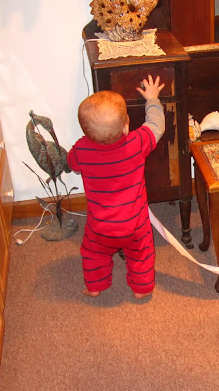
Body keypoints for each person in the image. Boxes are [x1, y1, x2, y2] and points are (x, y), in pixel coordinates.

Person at [67, 75, 165, 299]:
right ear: (126, 126)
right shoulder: (136, 143)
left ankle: (94, 286)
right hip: (135, 224)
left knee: (93, 253)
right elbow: (156, 126)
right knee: (141, 253)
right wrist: (152, 99)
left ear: (86, 132)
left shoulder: (82, 149)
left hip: (99, 227)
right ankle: (141, 289)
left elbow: (72, 164)